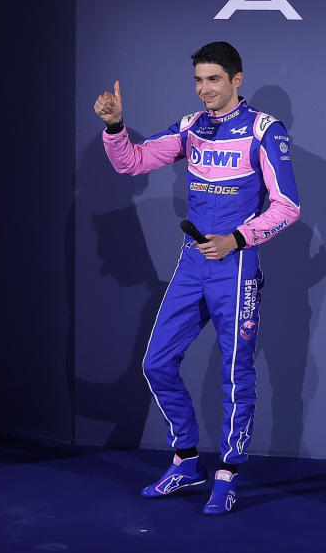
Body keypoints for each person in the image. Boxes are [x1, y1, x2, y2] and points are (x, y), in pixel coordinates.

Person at [93, 41, 300, 515]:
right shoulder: (192, 126)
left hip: (237, 265)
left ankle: (227, 473)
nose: (205, 89)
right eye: (199, 80)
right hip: (193, 264)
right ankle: (185, 459)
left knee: (234, 372)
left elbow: (288, 206)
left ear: (236, 80)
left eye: (214, 80)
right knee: (157, 363)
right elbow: (133, 162)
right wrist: (115, 127)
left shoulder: (265, 130)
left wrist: (238, 239)